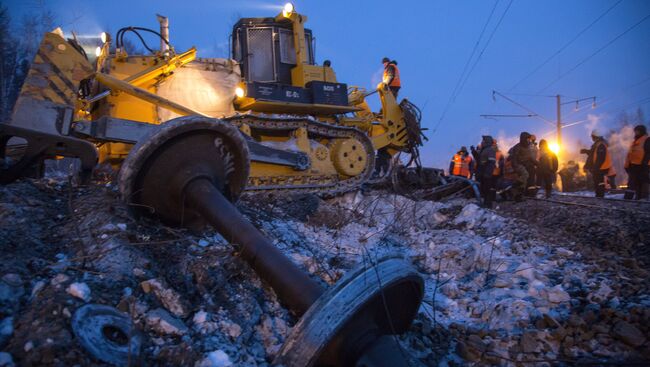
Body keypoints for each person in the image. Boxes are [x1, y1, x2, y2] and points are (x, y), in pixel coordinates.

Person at [581, 130, 612, 198]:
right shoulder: (598, 144)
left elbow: (600, 157)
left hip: (601, 167)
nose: (591, 138)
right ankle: (599, 195)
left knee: (599, 181)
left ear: (594, 136)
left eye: (592, 136)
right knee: (597, 181)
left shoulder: (600, 145)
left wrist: (596, 167)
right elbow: (593, 154)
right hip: (599, 167)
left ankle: (600, 195)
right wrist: (586, 151)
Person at [624, 124, 650, 200]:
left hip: (643, 165)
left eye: (637, 131)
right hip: (634, 165)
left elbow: (648, 153)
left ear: (642, 131)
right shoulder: (635, 141)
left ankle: (643, 198)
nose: (635, 133)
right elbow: (630, 154)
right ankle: (633, 198)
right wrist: (627, 165)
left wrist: (644, 164)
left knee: (643, 181)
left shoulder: (647, 139)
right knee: (633, 182)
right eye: (635, 131)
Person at [508, 132, 535, 201]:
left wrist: (538, 164)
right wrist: (516, 166)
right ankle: (515, 185)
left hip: (525, 165)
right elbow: (514, 158)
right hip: (518, 165)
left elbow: (531, 158)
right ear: (524, 139)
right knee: (525, 175)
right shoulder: (517, 147)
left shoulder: (528, 147)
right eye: (527, 139)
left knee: (524, 181)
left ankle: (518, 196)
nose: (529, 140)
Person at [477, 136, 497, 208]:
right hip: (483, 173)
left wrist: (487, 174)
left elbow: (491, 163)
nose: (482, 142)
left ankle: (488, 205)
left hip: (486, 174)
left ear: (487, 142)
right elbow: (480, 161)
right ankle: (485, 203)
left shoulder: (490, 150)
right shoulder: (484, 149)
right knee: (484, 190)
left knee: (487, 189)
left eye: (483, 141)